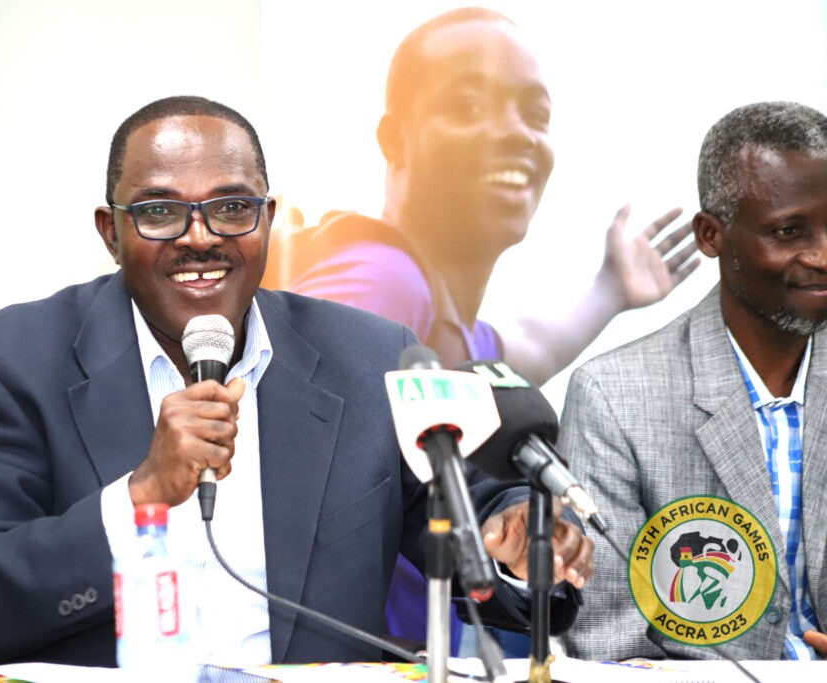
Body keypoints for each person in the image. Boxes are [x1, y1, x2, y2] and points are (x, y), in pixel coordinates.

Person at [0, 95, 594, 675]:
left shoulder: (369, 358)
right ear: (111, 232)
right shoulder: (11, 363)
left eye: (232, 207)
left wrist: (520, 545)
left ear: (267, 219)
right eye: (159, 212)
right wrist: (140, 497)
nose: (200, 237)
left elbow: (476, 514)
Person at [264, 6, 696, 654]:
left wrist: (610, 289)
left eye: (536, 115)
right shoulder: (382, 280)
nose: (516, 135)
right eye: (469, 106)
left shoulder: (428, 310)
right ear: (395, 139)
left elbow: (519, 352)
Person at [559, 100, 827, 661]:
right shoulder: (615, 398)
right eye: (789, 231)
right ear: (710, 236)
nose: (822, 255)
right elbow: (608, 648)